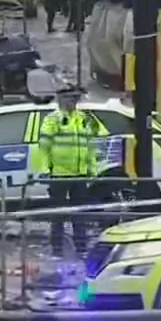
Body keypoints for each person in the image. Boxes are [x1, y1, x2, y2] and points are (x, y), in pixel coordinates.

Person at [39, 84, 101, 257]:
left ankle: (81, 248)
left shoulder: (83, 118)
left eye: (75, 98)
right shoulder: (53, 119)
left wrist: (92, 169)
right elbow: (44, 146)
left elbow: (90, 146)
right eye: (69, 98)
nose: (73, 101)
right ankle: (57, 250)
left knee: (80, 215)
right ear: (60, 99)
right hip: (59, 174)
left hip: (79, 174)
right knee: (58, 215)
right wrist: (45, 170)